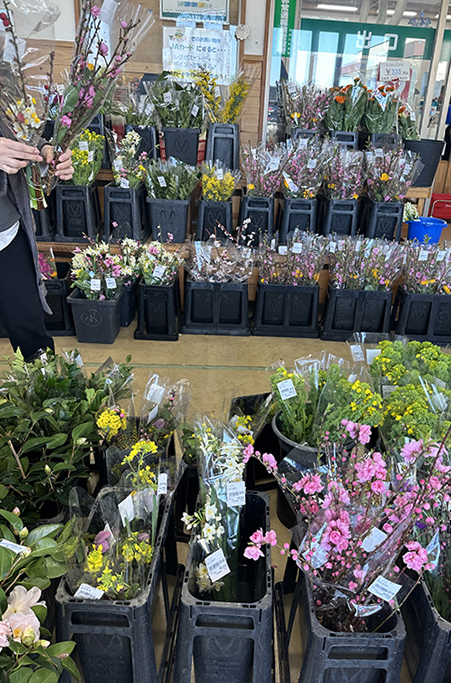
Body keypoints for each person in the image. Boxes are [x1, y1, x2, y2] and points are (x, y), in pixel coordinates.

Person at [0, 131, 74, 361]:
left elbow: (13, 129)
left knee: (32, 335)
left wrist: (43, 153)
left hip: (7, 228)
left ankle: (45, 383)